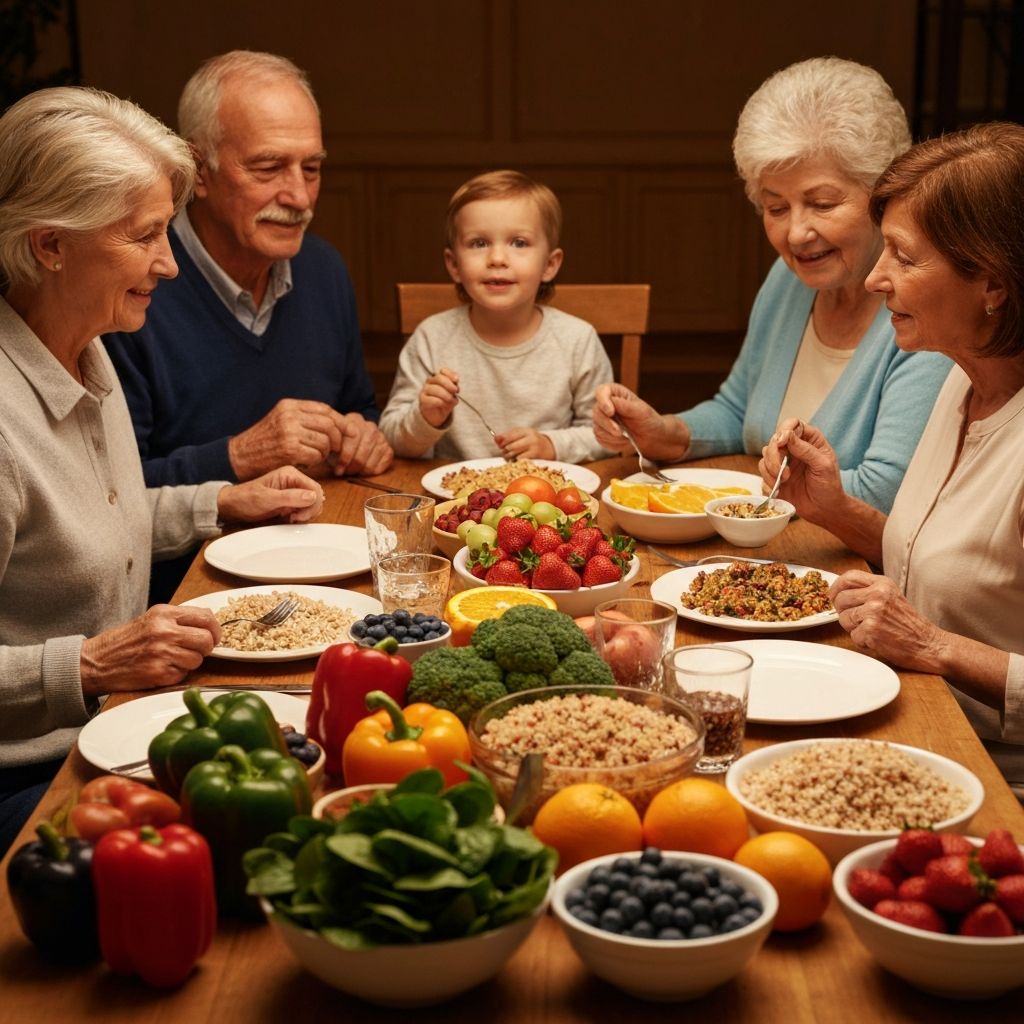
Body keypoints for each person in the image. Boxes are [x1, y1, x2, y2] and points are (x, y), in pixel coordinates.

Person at [0, 86, 326, 855]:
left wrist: (221, 501)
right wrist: (87, 662)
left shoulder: (86, 347)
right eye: (145, 236)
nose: (169, 266)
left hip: (120, 729)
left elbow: (92, 523)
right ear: (50, 245)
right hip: (32, 780)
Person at [760, 122, 1024, 798]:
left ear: (991, 284)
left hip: (992, 789)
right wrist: (832, 509)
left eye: (903, 257)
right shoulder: (960, 380)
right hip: (911, 723)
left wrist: (936, 648)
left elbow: (935, 631)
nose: (876, 278)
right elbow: (950, 576)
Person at [593, 57, 952, 512]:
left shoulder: (924, 308)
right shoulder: (790, 280)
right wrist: (664, 432)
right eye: (776, 207)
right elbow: (741, 411)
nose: (796, 233)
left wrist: (734, 497)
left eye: (821, 203)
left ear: (883, 193)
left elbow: (886, 493)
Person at [102, 50, 393, 487]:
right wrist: (237, 456)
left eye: (311, 168)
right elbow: (111, 495)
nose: (299, 196)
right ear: (198, 170)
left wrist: (362, 436)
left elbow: (359, 408)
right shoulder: (135, 285)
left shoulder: (323, 268)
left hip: (320, 539)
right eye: (269, 167)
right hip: (195, 555)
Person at [379, 170, 613, 463]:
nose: (497, 259)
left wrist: (551, 445)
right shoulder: (432, 338)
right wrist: (426, 418)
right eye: (479, 243)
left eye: (519, 243)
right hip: (454, 501)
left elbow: (607, 437)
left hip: (548, 499)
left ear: (550, 265)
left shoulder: (577, 340)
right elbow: (391, 437)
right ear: (454, 264)